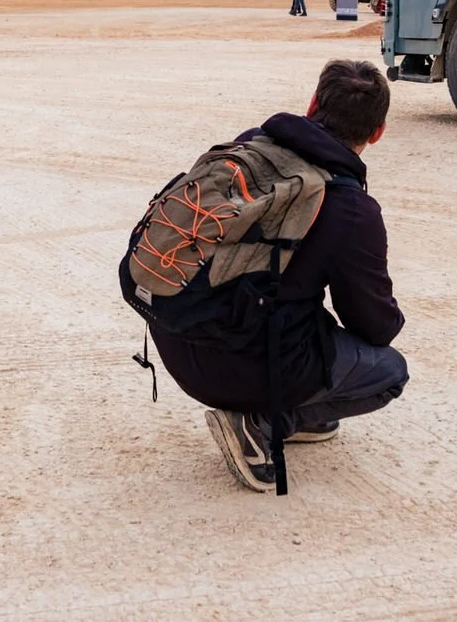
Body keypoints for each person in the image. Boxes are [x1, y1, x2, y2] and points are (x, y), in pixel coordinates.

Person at [150, 59, 407, 491]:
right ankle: (264, 420)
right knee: (389, 371)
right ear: (377, 132)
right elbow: (372, 323)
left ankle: (288, 408)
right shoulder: (351, 209)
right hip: (233, 366)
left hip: (170, 333)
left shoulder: (248, 149)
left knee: (292, 306)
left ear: (311, 105)